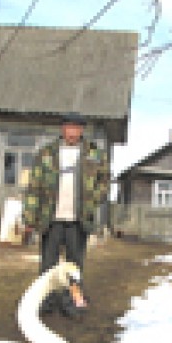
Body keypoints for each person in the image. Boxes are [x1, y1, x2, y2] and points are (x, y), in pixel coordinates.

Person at [23, 112, 109, 316]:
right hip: (50, 219)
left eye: (77, 128)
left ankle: (72, 303)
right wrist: (29, 217)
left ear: (82, 130)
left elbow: (104, 182)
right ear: (62, 129)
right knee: (48, 264)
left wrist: (92, 199)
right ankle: (45, 302)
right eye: (68, 128)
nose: (72, 132)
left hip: (78, 220)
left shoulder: (94, 154)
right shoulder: (46, 153)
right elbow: (34, 187)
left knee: (75, 266)